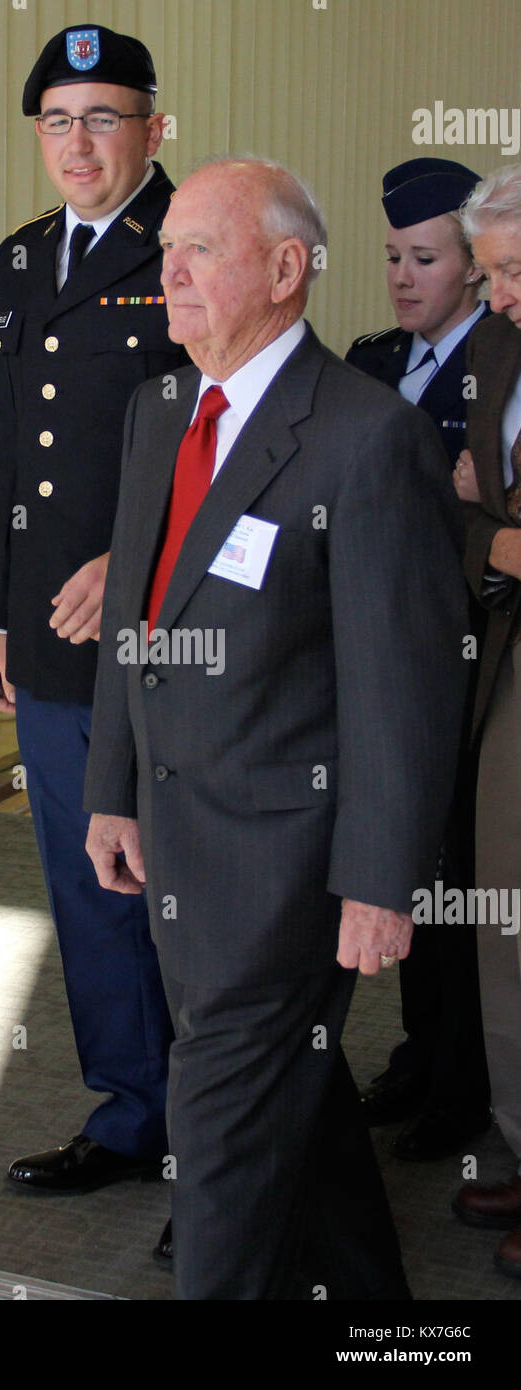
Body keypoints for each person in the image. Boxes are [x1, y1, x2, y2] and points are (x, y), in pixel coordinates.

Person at [83, 157, 470, 1299]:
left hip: (287, 867)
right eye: (167, 253)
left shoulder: (364, 439)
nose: (170, 274)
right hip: (172, 837)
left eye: (201, 248)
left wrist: (379, 880)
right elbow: (131, 617)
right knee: (287, 1107)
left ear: (287, 268)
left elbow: (403, 682)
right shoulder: (161, 409)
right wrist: (111, 782)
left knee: (219, 1136)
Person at [0, 25, 185, 1193]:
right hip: (49, 642)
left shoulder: (192, 241)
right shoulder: (20, 258)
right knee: (82, 884)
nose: (79, 141)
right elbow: (7, 448)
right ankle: (128, 1116)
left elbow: (232, 433)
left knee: (178, 886)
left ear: (154, 127)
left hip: (165, 629)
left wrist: (134, 557)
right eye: (58, 119)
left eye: (104, 116)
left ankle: (215, 1137)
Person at [346, 157, 491, 1162]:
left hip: (473, 660)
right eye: (392, 256)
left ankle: (460, 1080)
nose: (402, 276)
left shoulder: (508, 365)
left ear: (477, 268)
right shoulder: (367, 361)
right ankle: (415, 1054)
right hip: (377, 658)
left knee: (460, 878)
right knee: (398, 860)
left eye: (424, 258)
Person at [449, 163, 521, 1280]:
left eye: (512, 270)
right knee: (504, 919)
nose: (494, 294)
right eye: (491, 270)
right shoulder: (495, 348)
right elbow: (452, 502)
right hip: (507, 657)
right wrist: (495, 539)